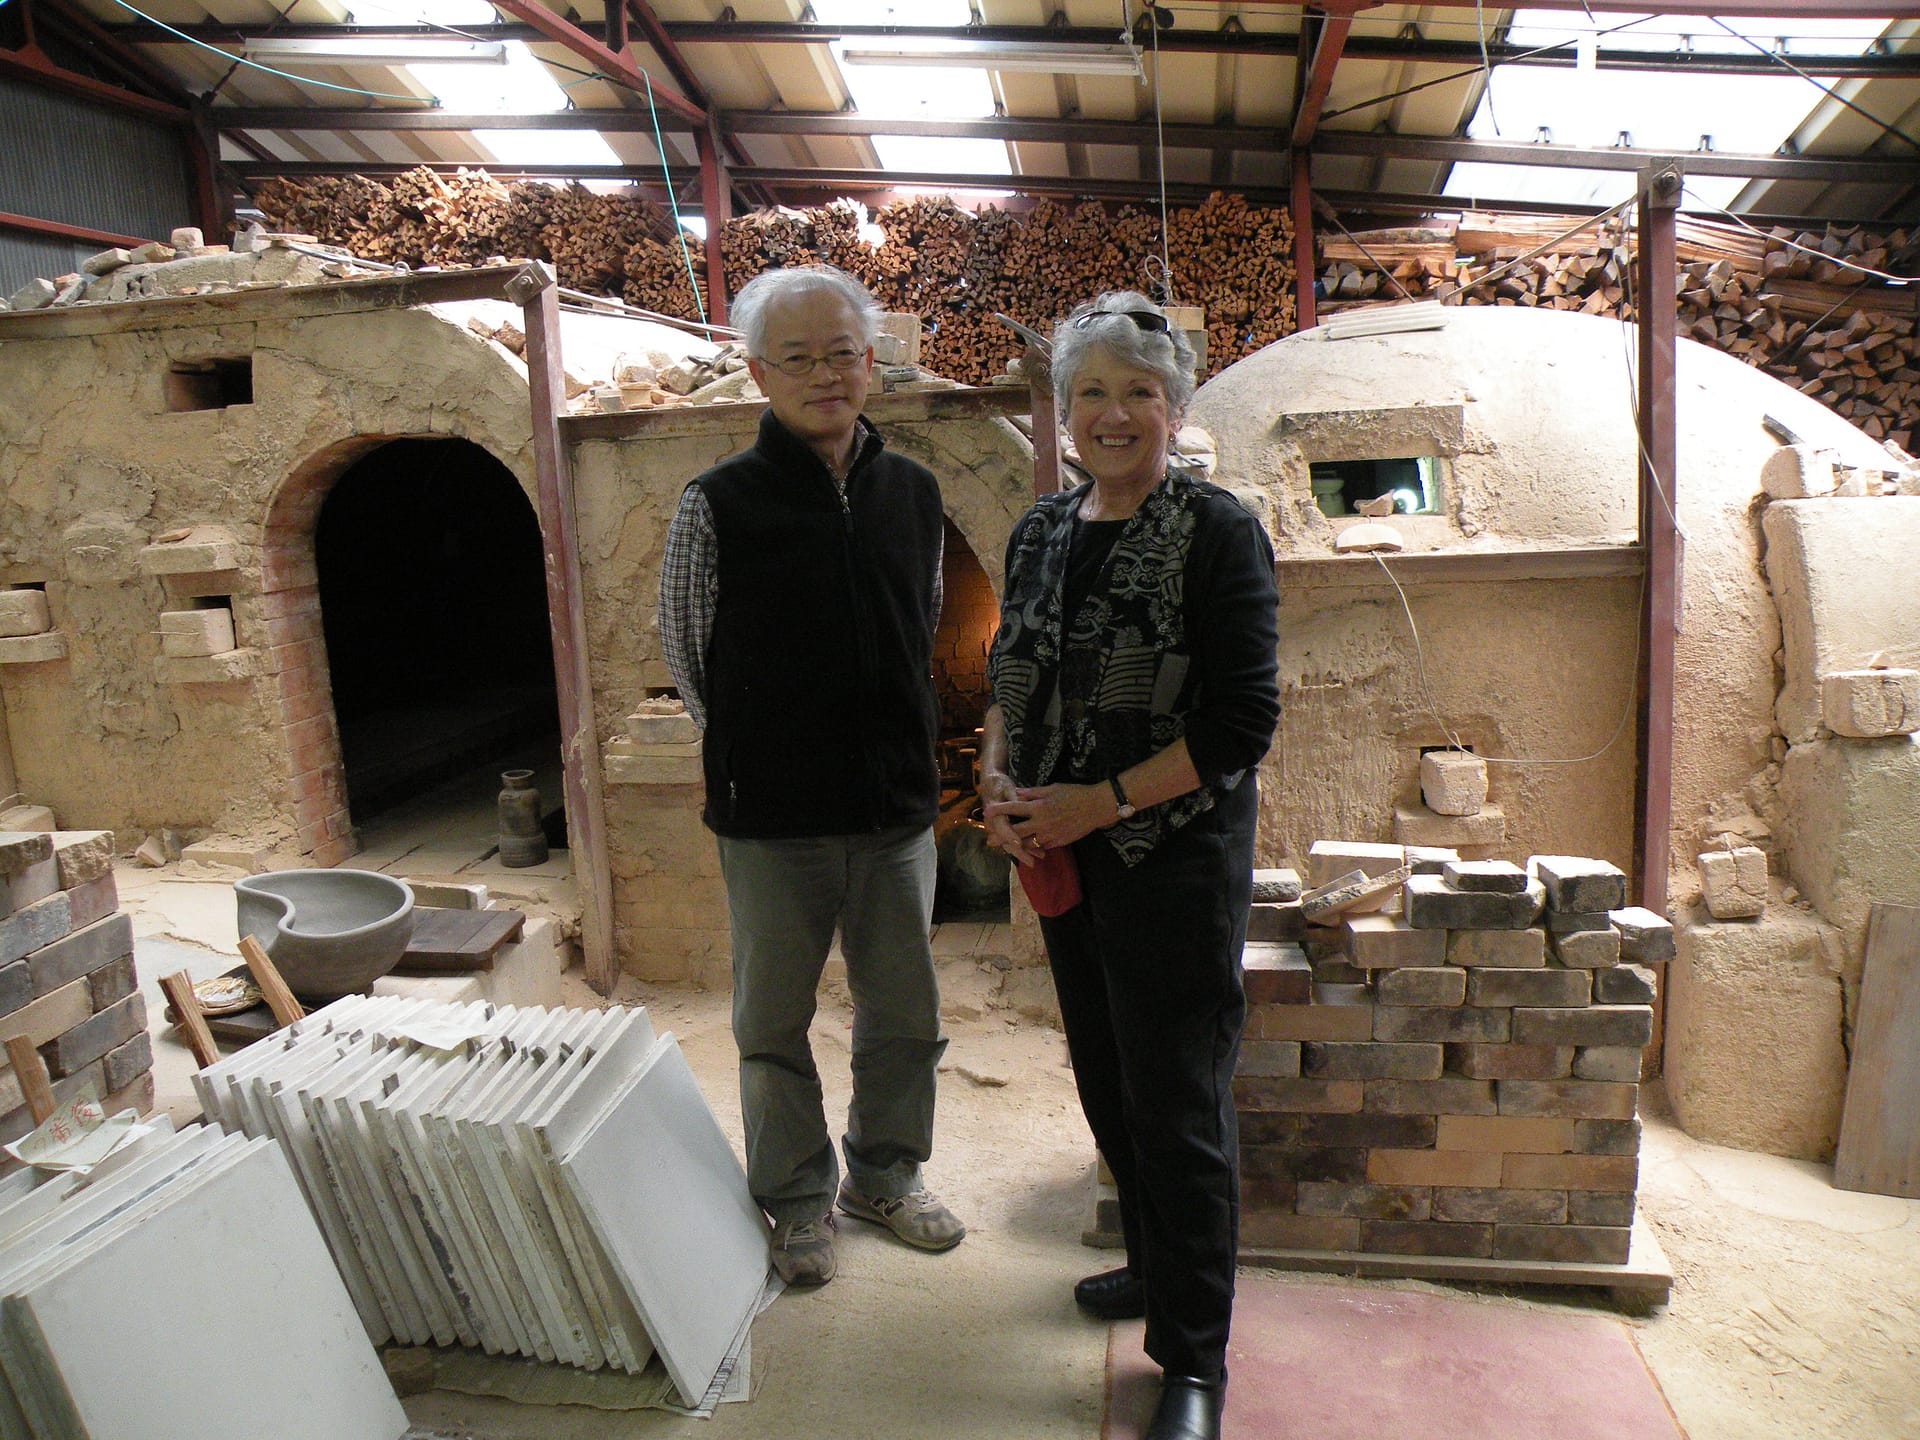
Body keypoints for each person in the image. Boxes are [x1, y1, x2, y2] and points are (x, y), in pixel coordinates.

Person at [980, 292, 1279, 1440]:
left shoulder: (1217, 531)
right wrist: (999, 784)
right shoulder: (1042, 530)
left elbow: (1240, 724)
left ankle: (1195, 1363)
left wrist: (1096, 803)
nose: (1113, 413)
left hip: (1172, 859)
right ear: (1064, 410)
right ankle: (1154, 1271)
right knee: (1109, 1079)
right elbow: (1013, 673)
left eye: (1138, 392)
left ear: (1176, 407)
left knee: (1178, 1103)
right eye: (1091, 392)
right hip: (1065, 860)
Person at [657, 264, 964, 1288]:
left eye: (842, 353)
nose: (825, 375)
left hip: (894, 809)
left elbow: (920, 622)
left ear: (871, 361)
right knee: (772, 1023)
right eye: (798, 358)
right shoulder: (717, 502)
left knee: (905, 1016)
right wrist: (760, 749)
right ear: (758, 373)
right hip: (772, 818)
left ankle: (885, 1174)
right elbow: (685, 648)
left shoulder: (912, 492)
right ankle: (794, 1200)